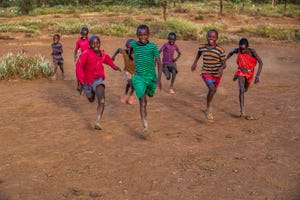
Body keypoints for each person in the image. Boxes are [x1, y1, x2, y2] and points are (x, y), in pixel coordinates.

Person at [76, 35, 122, 130]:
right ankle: (91, 93)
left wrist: (113, 66)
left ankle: (97, 121)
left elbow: (107, 59)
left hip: (98, 80)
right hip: (87, 81)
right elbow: (79, 66)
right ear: (89, 45)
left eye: (97, 43)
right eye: (93, 43)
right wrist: (80, 83)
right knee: (91, 99)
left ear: (100, 44)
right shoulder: (86, 54)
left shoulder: (102, 53)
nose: (95, 45)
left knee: (101, 99)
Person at [130, 24, 162, 139]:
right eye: (140, 34)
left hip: (151, 77)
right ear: (137, 35)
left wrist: (159, 79)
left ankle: (149, 89)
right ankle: (145, 127)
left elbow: (159, 63)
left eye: (145, 34)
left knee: (150, 95)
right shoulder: (133, 45)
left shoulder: (153, 47)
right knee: (143, 101)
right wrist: (133, 58)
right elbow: (131, 53)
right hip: (138, 77)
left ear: (148, 34)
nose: (142, 36)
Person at [191, 29, 226, 121]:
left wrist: (221, 69)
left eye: (213, 37)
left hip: (217, 74)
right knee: (212, 89)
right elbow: (199, 53)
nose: (211, 38)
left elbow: (224, 64)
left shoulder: (220, 50)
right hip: (206, 72)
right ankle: (208, 108)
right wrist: (195, 63)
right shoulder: (202, 47)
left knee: (213, 91)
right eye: (209, 36)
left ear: (217, 38)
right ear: (206, 37)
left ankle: (208, 105)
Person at [226, 38, 263, 119]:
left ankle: (236, 75)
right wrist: (224, 61)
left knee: (245, 90)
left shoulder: (252, 51)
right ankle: (242, 112)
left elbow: (261, 62)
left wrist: (257, 76)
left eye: (243, 49)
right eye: (240, 49)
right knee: (241, 90)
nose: (242, 51)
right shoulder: (237, 50)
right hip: (241, 71)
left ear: (247, 47)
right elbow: (230, 52)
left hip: (250, 72)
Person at [111, 39, 136, 105]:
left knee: (130, 84)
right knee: (131, 83)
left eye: (131, 49)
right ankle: (127, 93)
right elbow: (118, 49)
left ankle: (130, 94)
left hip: (135, 73)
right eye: (127, 48)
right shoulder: (124, 52)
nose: (128, 50)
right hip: (127, 71)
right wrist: (113, 56)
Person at [75, 27, 89, 92]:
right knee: (78, 69)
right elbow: (76, 49)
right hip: (82, 57)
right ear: (81, 34)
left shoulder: (89, 40)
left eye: (85, 35)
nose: (84, 36)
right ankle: (79, 84)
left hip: (89, 56)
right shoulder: (79, 41)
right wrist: (75, 56)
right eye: (83, 34)